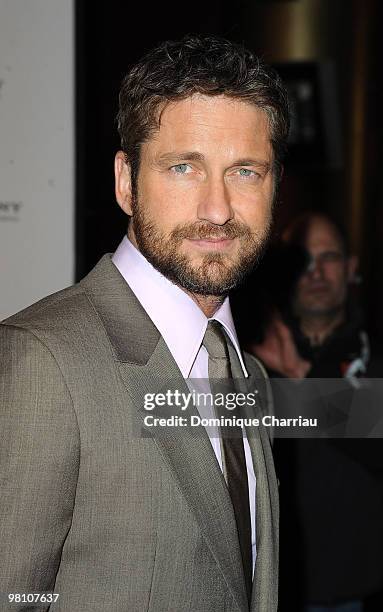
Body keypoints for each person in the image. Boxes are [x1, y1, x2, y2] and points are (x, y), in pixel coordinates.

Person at [0, 35, 289, 611]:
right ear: (125, 182)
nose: (217, 209)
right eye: (184, 167)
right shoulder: (42, 361)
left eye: (246, 172)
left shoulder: (246, 372)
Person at [253, 212, 383, 611]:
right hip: (265, 589)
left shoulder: (375, 351)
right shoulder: (248, 354)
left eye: (328, 257)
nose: (315, 271)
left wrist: (301, 379)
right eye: (302, 260)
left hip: (354, 592)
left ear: (350, 268)